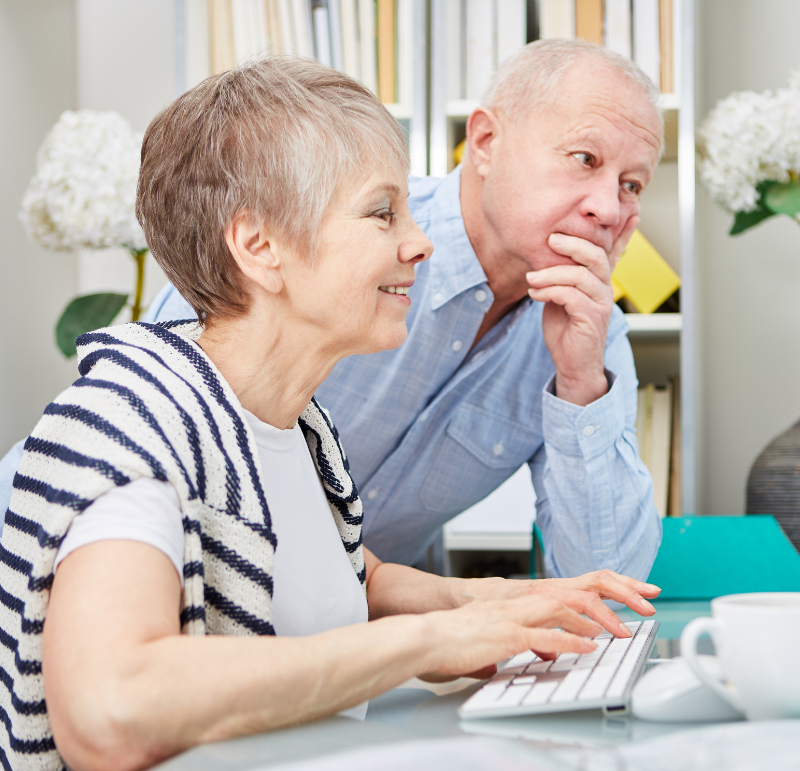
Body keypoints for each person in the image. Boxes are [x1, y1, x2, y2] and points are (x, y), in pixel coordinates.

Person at [0, 58, 660, 771]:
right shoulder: (156, 413)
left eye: (631, 184)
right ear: (259, 247)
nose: (421, 243)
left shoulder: (301, 430)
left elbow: (332, 568)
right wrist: (430, 638)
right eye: (383, 213)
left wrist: (481, 604)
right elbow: (109, 712)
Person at [134, 38, 665, 577]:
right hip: (210, 590)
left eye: (631, 185)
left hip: (378, 624)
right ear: (483, 141)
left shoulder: (591, 337)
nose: (608, 208)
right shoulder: (337, 235)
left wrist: (580, 384)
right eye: (584, 159)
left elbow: (608, 583)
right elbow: (153, 447)